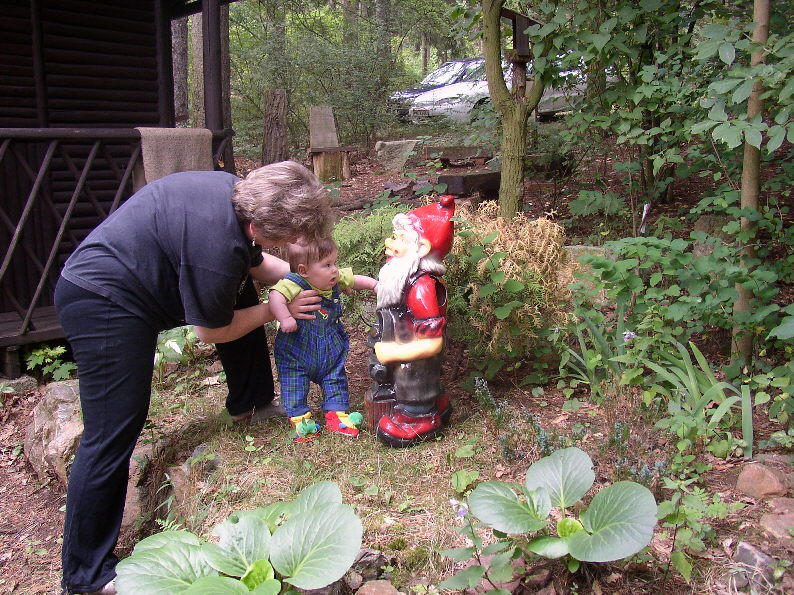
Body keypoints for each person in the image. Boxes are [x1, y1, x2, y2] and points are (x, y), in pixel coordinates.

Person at [54, 161, 329, 594]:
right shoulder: (216, 248)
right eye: (288, 239)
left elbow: (256, 263)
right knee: (112, 429)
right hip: (102, 298)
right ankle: (85, 575)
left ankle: (252, 404)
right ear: (260, 226)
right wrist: (281, 309)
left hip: (136, 278)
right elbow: (212, 329)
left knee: (240, 287)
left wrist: (306, 278)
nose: (290, 244)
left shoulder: (240, 196)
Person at [268, 237, 377, 442]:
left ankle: (337, 415)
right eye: (327, 265)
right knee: (294, 384)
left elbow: (356, 280)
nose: (335, 269)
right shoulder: (293, 283)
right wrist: (285, 317)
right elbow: (275, 296)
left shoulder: (334, 279)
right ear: (303, 270)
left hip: (329, 350)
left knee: (335, 378)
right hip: (296, 352)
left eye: (334, 263)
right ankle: (300, 420)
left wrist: (375, 285)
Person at [369, 195, 455, 447]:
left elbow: (433, 343)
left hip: (415, 358)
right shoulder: (404, 277)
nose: (390, 242)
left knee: (414, 373)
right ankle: (434, 403)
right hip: (403, 340)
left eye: (399, 238)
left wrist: (394, 351)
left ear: (422, 248)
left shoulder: (422, 287)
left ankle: (419, 417)